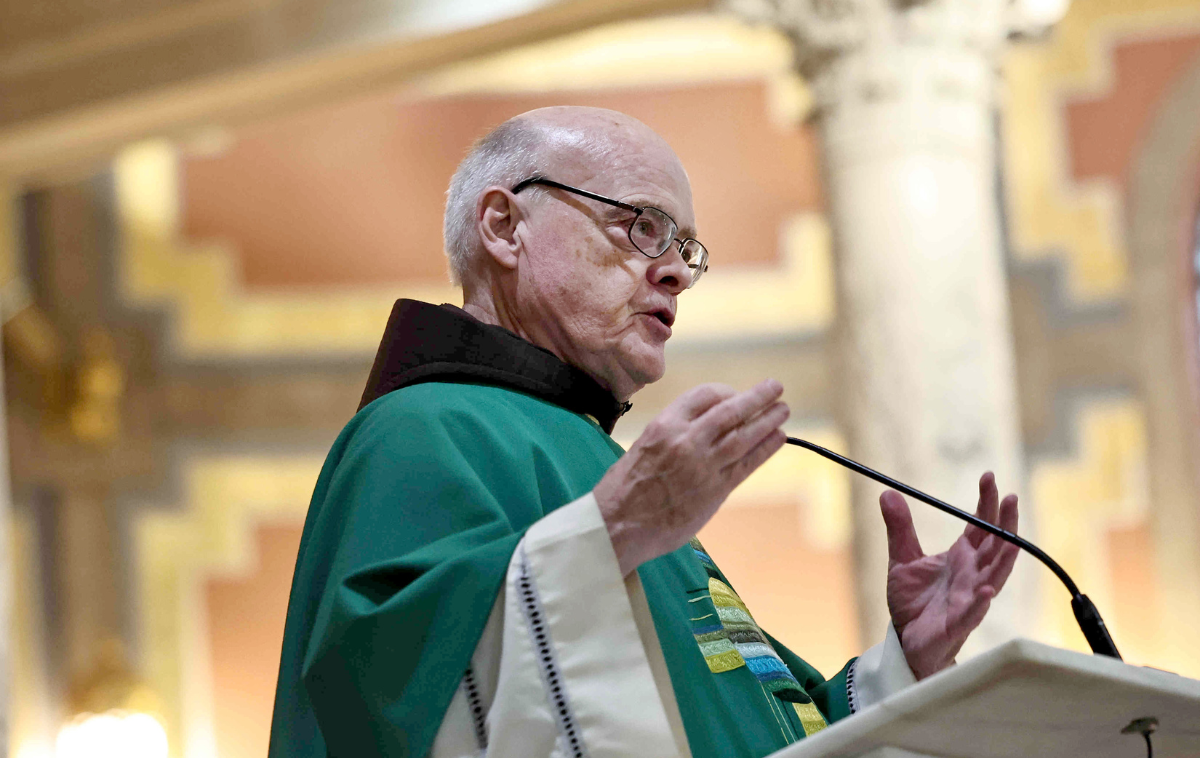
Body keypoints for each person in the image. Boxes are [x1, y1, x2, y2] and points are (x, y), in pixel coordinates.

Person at [267, 106, 1020, 758]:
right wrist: (613, 530)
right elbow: (393, 695)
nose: (677, 273)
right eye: (642, 227)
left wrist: (903, 667)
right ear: (503, 225)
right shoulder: (422, 429)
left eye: (684, 249)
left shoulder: (592, 455)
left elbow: (738, 726)